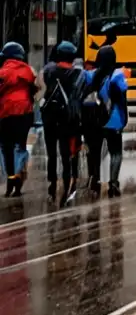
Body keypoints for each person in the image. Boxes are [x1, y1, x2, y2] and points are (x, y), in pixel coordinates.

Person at [80, 45, 128, 198]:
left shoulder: (88, 75)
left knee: (93, 152)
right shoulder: (117, 76)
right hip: (113, 120)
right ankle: (113, 183)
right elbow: (122, 100)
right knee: (116, 152)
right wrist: (123, 119)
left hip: (93, 121)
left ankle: (95, 181)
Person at [41, 41, 83, 205]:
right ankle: (67, 185)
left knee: (51, 153)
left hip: (50, 116)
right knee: (66, 154)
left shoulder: (49, 71)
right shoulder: (78, 74)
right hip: (67, 118)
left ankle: (52, 184)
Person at [0, 42, 39, 197]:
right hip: (25, 113)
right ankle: (18, 176)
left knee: (5, 146)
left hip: (7, 112)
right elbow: (34, 89)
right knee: (20, 145)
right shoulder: (28, 71)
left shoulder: (3, 72)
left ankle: (10, 178)